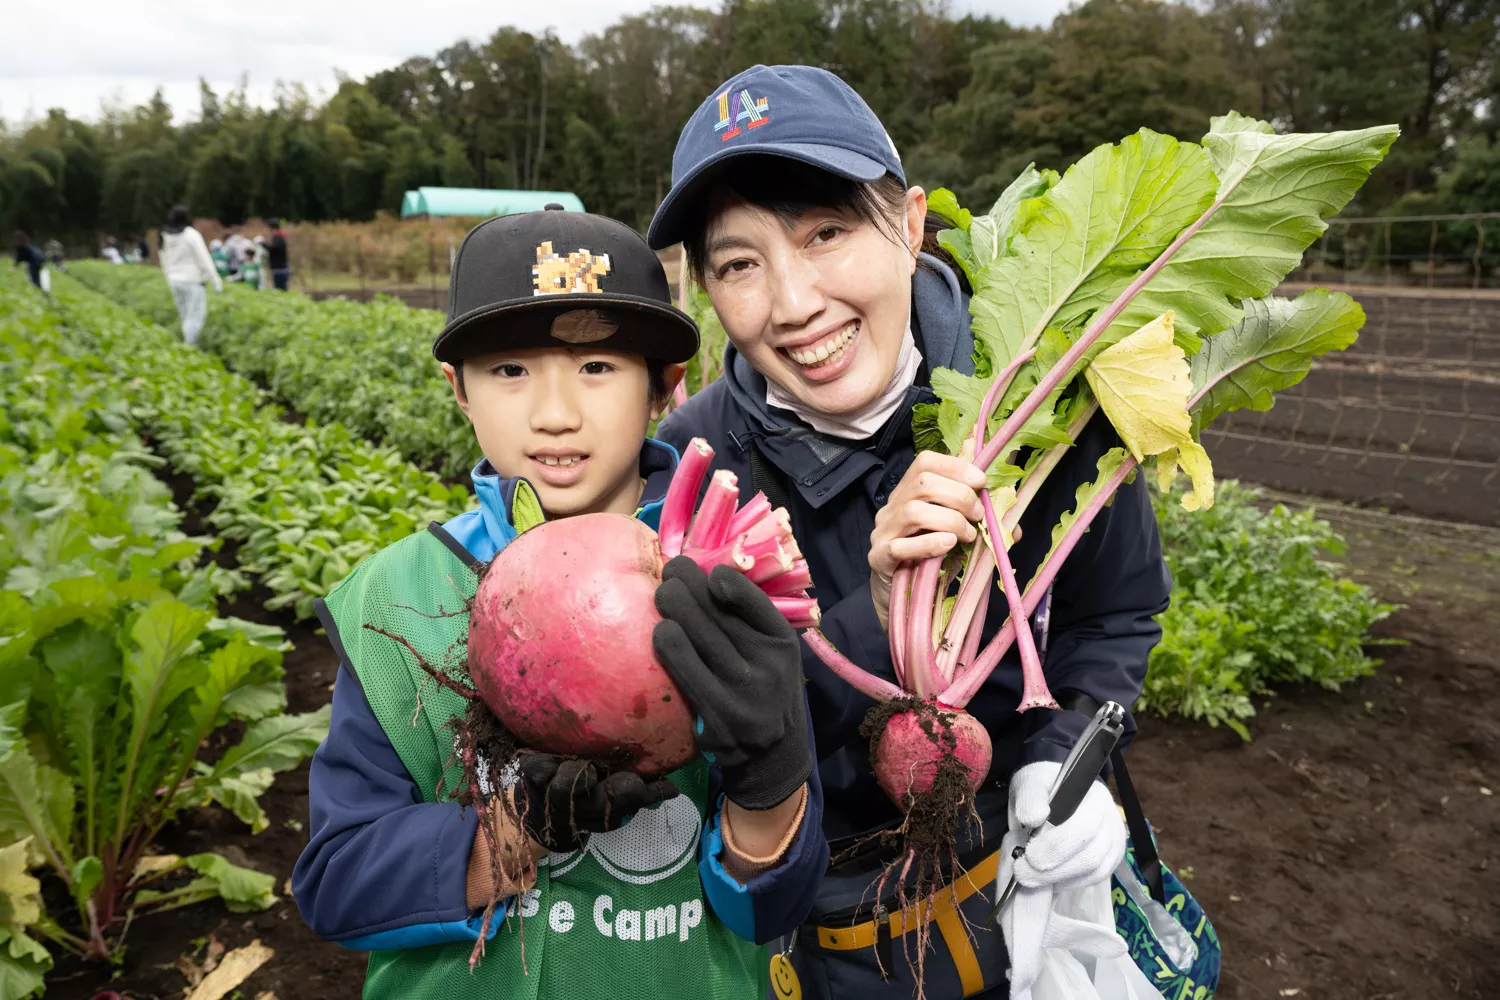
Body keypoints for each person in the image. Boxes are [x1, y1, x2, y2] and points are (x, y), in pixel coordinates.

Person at [648, 65, 1171, 1000]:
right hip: (813, 933)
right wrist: (871, 611)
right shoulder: (692, 468)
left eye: (827, 233)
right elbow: (704, 736)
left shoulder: (1057, 398)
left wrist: (1067, 769)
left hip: (1023, 893)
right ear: (702, 287)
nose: (794, 302)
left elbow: (1116, 616)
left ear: (911, 220)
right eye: (738, 264)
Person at [292, 205, 827, 999]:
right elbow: (337, 882)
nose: (554, 413)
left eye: (597, 368)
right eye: (509, 370)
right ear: (458, 390)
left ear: (664, 387)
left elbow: (774, 904)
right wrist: (508, 838)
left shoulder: (727, 588)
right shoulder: (393, 601)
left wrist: (772, 778)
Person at [158, 205, 222, 346]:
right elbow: (204, 258)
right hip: (192, 281)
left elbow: (163, 258)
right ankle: (189, 347)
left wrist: (168, 275)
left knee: (185, 315)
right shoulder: (190, 234)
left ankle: (187, 344)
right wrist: (215, 280)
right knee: (196, 316)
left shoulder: (165, 235)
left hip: (174, 280)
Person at [266, 216, 290, 291]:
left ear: (274, 228)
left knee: (281, 290)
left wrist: (262, 244)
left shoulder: (279, 238)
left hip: (280, 269)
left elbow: (272, 249)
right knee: (279, 289)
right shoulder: (277, 237)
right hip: (278, 268)